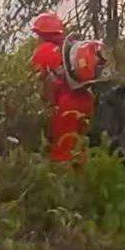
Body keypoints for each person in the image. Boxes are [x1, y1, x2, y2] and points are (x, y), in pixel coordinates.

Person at [30, 12, 95, 163]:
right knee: (79, 148)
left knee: (63, 153)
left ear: (40, 34)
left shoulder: (43, 51)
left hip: (66, 103)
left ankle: (66, 184)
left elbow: (36, 80)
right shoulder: (69, 51)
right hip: (86, 99)